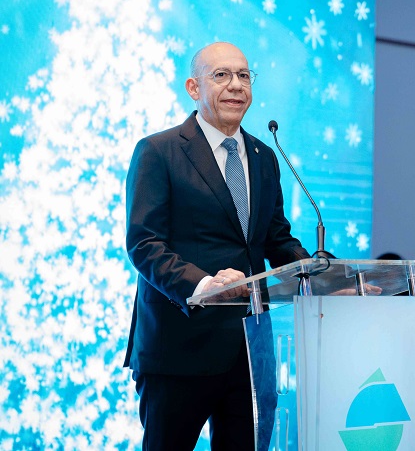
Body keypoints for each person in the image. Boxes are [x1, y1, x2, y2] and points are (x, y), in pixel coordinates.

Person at [124, 41, 310, 450]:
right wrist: (203, 285)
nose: (236, 85)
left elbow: (275, 237)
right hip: (179, 348)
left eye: (244, 75)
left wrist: (316, 272)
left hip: (250, 351)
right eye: (221, 75)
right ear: (194, 87)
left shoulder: (263, 156)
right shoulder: (159, 151)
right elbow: (144, 243)